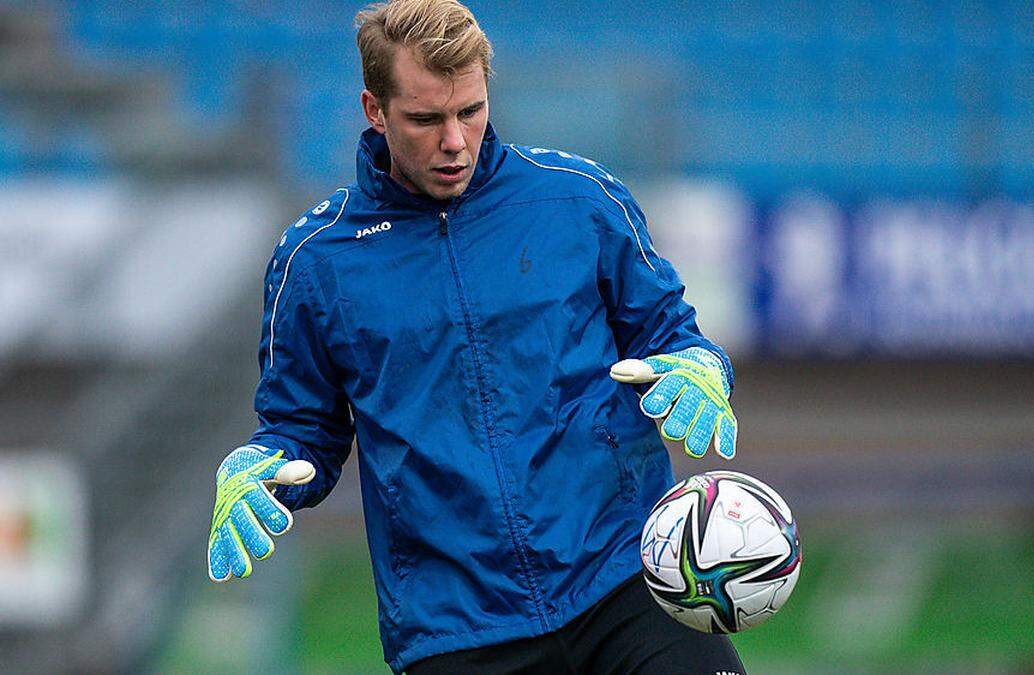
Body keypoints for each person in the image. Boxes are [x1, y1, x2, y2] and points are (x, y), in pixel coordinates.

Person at [205, 1, 744, 672]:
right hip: (457, 631)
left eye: (470, 111)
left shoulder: (579, 198)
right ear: (375, 109)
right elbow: (301, 429)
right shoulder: (316, 260)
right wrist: (260, 468)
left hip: (627, 580)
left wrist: (697, 366)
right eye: (426, 119)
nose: (455, 140)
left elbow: (669, 330)